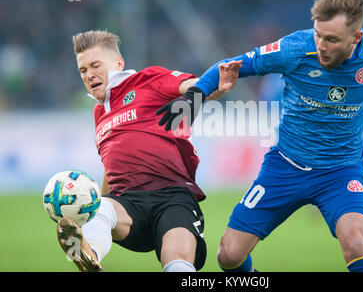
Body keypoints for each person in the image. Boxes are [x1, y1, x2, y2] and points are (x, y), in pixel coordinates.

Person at [156, 0, 363, 272]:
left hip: (341, 171)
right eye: (318, 35)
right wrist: (193, 98)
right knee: (228, 255)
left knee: (356, 243)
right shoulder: (295, 48)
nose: (321, 46)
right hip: (285, 167)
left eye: (332, 39)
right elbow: (231, 65)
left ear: (357, 37)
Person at [56, 30, 240, 272]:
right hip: (130, 207)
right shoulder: (99, 113)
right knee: (97, 209)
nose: (89, 75)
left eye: (95, 65)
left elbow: (192, 86)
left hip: (173, 198)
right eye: (83, 70)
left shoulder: (148, 80)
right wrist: (100, 202)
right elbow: (111, 166)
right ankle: (90, 255)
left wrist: (218, 88)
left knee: (176, 260)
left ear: (118, 63)